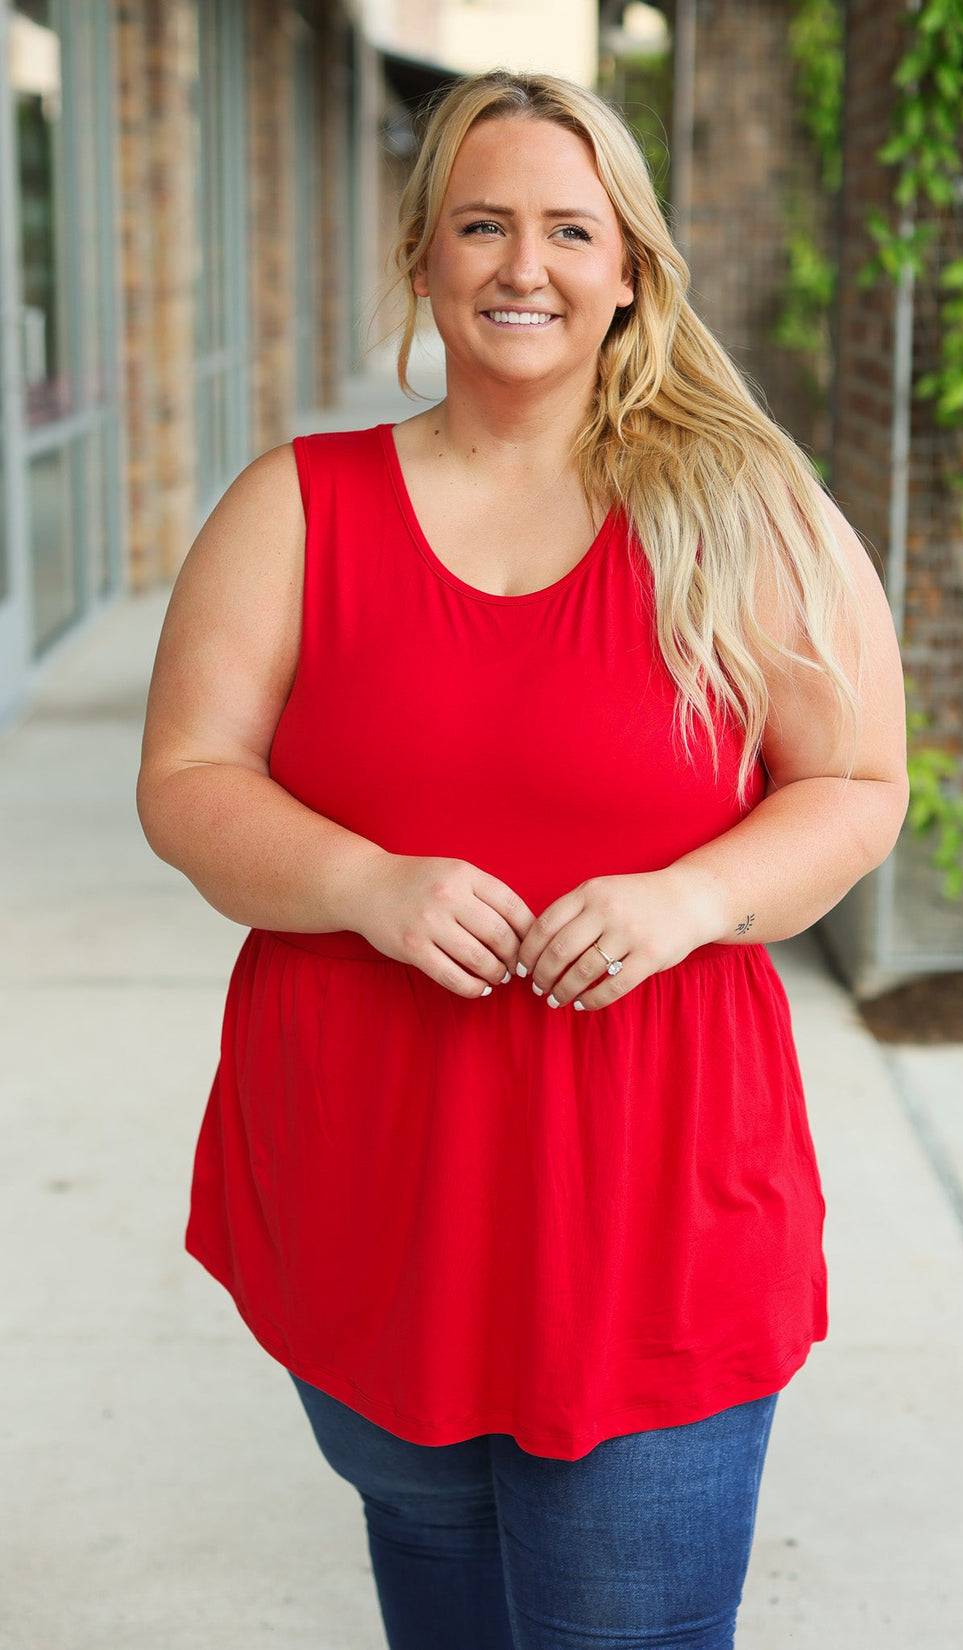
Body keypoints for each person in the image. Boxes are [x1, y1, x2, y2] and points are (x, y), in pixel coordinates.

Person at [136, 68, 908, 1650]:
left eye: (571, 227)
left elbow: (858, 783)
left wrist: (693, 896)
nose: (524, 266)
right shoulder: (297, 507)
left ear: (630, 263)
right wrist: (367, 880)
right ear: (424, 254)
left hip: (652, 1212)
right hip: (373, 1196)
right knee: (439, 1601)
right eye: (482, 225)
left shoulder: (743, 511)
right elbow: (188, 779)